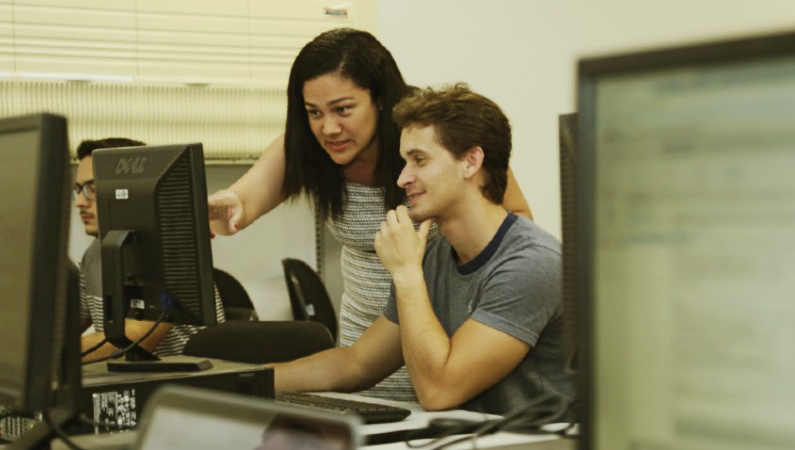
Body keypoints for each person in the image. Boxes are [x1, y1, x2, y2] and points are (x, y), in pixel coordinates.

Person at [208, 28, 533, 402]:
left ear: (379, 99)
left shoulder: (435, 141)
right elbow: (235, 210)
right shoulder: (306, 148)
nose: (328, 128)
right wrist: (226, 203)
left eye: (343, 109)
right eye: (314, 112)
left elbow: (510, 225)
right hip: (370, 355)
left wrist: (477, 311)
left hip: (453, 359)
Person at [271, 84, 574, 416]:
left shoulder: (531, 264)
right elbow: (355, 364)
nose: (402, 179)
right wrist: (241, 379)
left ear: (471, 162)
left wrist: (405, 273)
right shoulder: (435, 256)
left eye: (419, 160)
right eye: (404, 161)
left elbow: (439, 391)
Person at [75, 138, 225, 362]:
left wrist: (51, 357)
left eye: (92, 189)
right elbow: (63, 326)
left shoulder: (171, 254)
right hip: (132, 382)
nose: (79, 202)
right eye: (78, 189)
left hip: (187, 387)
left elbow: (137, 337)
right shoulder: (97, 251)